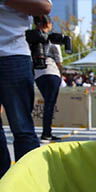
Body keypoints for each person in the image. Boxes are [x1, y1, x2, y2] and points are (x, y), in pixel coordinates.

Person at [0, 0, 52, 178]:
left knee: (22, 128)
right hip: (13, 57)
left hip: (12, 54)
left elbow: (44, 6)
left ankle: (30, 184)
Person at [33, 15, 63, 143]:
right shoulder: (53, 39)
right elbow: (59, 59)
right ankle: (46, 134)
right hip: (52, 72)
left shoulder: (32, 39)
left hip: (38, 75)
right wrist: (60, 73)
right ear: (48, 24)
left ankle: (47, 132)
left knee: (47, 104)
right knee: (49, 104)